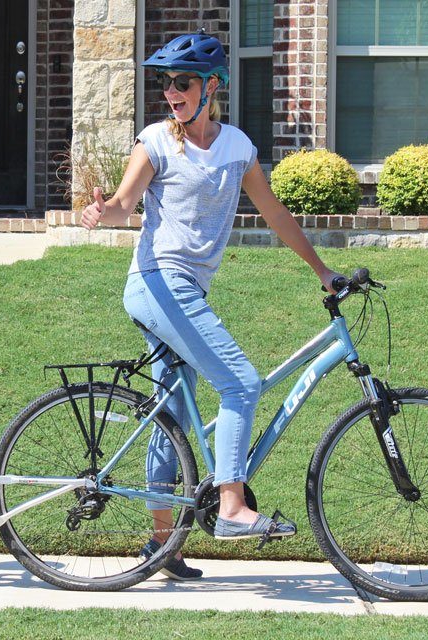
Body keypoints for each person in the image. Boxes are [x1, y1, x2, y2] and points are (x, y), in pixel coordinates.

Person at [80, 32, 343, 581]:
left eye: (183, 83)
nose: (172, 93)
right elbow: (126, 204)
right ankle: (230, 506)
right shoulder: (156, 141)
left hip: (184, 292)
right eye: (167, 84)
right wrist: (100, 211)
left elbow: (274, 213)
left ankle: (163, 546)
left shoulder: (237, 148)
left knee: (172, 411)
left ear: (211, 87)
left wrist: (322, 271)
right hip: (157, 284)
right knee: (242, 383)